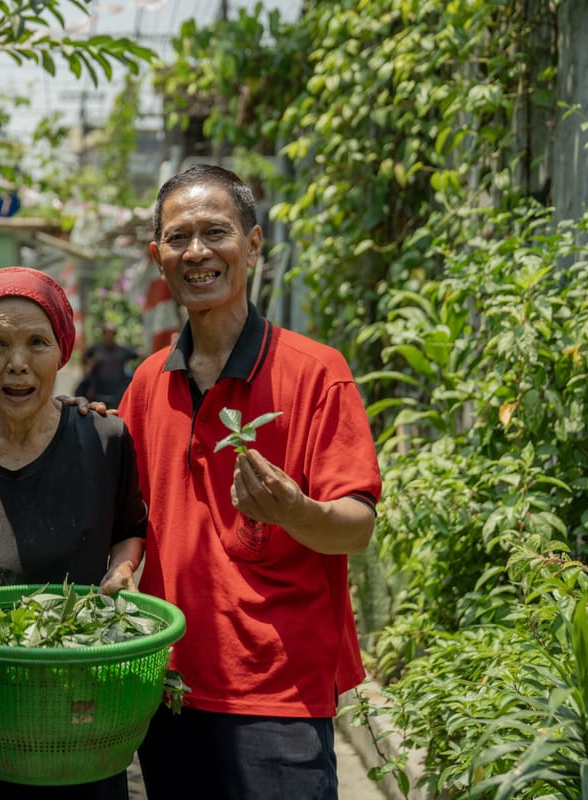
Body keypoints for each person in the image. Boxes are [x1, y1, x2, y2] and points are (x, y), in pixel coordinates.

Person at [117, 164, 382, 800]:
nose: (198, 252)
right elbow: (125, 516)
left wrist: (294, 510)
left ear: (254, 244)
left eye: (217, 233)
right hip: (170, 686)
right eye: (178, 239)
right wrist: (124, 566)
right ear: (157, 256)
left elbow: (358, 529)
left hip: (278, 693)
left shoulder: (317, 372)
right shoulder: (148, 383)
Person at [0, 267, 147, 800]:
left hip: (80, 715)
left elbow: (131, 530)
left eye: (37, 342)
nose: (17, 363)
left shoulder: (105, 440)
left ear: (63, 353)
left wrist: (122, 570)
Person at [77, 320, 138, 407]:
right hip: (97, 394)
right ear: (103, 333)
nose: (109, 336)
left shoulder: (122, 350)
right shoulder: (96, 348)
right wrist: (89, 366)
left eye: (112, 333)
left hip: (116, 395)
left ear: (115, 334)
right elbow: (84, 359)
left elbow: (138, 355)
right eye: (106, 333)